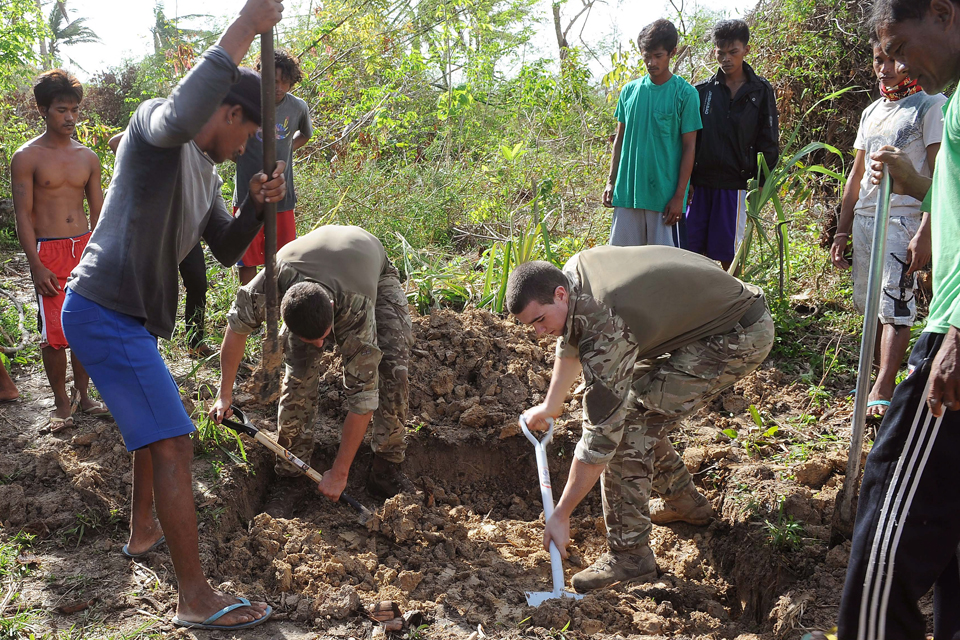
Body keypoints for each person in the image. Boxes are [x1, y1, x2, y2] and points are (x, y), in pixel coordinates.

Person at [60, 0, 286, 630]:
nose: (242, 147)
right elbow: (186, 110)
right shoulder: (156, 127)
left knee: (150, 433)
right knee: (174, 442)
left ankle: (141, 530)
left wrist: (254, 207)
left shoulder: (205, 176)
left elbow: (223, 249)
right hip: (105, 309)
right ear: (229, 110)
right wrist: (247, 23)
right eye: (243, 134)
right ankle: (195, 598)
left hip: (128, 319)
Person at [509, 247, 773, 592]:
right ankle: (687, 504)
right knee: (637, 412)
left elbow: (601, 438)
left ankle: (630, 557)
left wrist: (561, 514)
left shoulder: (605, 326)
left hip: (737, 335)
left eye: (539, 320)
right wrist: (550, 405)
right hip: (706, 324)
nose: (539, 332)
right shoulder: (574, 273)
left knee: (628, 428)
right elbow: (572, 339)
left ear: (560, 293)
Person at [832, 1, 960, 638]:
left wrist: (959, 330)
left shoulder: (938, 106)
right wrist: (924, 204)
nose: (900, 65)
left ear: (942, 13)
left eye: (903, 46)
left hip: (954, 337)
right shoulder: (953, 96)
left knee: (884, 536)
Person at [210, 225, 415, 501]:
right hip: (308, 266)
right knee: (297, 379)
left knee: (393, 369)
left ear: (332, 309)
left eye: (324, 337)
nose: (322, 346)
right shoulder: (270, 285)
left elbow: (364, 398)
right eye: (312, 339)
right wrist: (223, 395)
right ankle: (291, 476)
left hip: (370, 272)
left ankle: (385, 468)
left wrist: (339, 473)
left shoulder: (354, 307)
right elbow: (236, 328)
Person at [832, 41, 943, 419]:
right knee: (870, 305)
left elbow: (940, 174)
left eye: (894, 59)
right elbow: (856, 175)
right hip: (866, 217)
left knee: (896, 303)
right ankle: (867, 377)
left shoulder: (931, 104)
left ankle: (883, 385)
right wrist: (841, 231)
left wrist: (925, 231)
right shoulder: (872, 111)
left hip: (904, 217)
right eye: (879, 59)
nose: (886, 67)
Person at [11, 69, 110, 432]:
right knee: (54, 335)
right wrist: (35, 264)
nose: (69, 117)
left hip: (84, 249)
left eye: (74, 110)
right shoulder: (27, 157)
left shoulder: (88, 157)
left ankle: (84, 396)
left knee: (84, 327)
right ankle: (61, 402)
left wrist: (100, 254)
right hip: (48, 252)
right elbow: (23, 215)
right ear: (42, 110)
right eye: (61, 110)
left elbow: (99, 213)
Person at [108, 133, 216, 359]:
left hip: (186, 228)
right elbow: (116, 142)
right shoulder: (166, 132)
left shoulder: (201, 141)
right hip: (156, 232)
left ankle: (195, 341)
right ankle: (148, 351)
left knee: (197, 281)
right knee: (154, 291)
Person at [687, 19, 780, 270]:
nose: (726, 58)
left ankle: (732, 303)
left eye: (733, 52)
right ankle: (696, 303)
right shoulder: (701, 91)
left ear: (746, 50)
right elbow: (690, 140)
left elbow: (768, 138)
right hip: (701, 185)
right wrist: (689, 180)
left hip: (735, 186)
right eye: (720, 52)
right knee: (691, 251)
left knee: (730, 253)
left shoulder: (760, 91)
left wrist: (761, 182)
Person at [603, 19, 701, 248]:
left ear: (672, 53)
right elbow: (620, 140)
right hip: (628, 195)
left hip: (664, 201)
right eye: (646, 56)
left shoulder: (685, 94)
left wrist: (679, 196)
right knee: (624, 268)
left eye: (658, 55)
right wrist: (611, 182)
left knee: (665, 273)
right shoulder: (629, 91)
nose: (651, 62)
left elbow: (689, 147)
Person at [233, 48, 313, 285]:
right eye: (274, 81)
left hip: (282, 198)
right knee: (247, 259)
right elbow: (228, 140)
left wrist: (287, 149)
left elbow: (305, 135)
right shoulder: (246, 103)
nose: (279, 87)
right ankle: (249, 308)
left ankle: (277, 308)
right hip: (248, 196)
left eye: (285, 82)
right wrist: (238, 155)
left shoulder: (297, 107)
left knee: (285, 258)